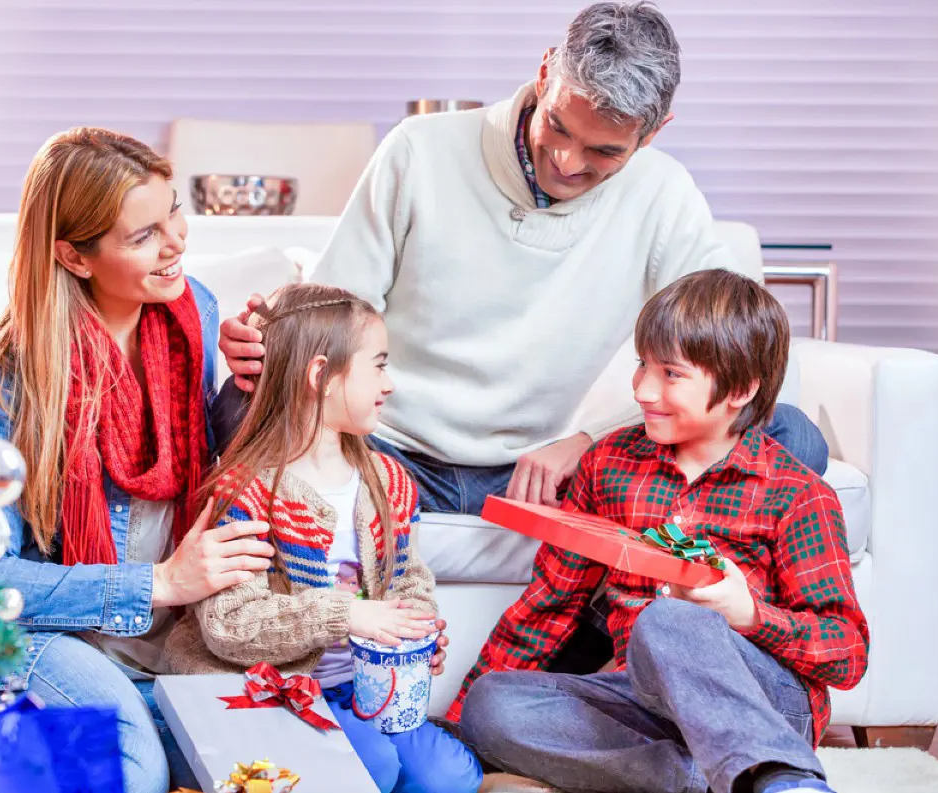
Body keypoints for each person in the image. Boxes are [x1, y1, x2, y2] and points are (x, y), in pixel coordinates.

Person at [216, 0, 830, 677]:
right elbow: (335, 308)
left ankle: (676, 651)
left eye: (604, 151)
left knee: (790, 435)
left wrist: (586, 440)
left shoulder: (664, 195)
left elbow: (735, 361)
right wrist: (273, 338)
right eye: (557, 126)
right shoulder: (420, 151)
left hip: (541, 472)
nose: (567, 161)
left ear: (653, 135)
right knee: (239, 403)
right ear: (544, 72)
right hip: (387, 448)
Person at [453, 269, 869, 793]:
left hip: (763, 706)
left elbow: (847, 653)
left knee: (668, 619)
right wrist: (459, 719)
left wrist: (748, 615)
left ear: (740, 388)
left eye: (670, 374)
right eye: (642, 366)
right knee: (493, 705)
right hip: (643, 700)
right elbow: (550, 603)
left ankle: (782, 778)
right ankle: (710, 782)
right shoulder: (609, 463)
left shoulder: (797, 493)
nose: (644, 389)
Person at [0, 127, 276, 793]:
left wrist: (249, 388)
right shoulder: (4, 383)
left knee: (265, 767)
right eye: (143, 236)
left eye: (173, 213)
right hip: (44, 635)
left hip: (167, 632)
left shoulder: (194, 312)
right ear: (74, 258)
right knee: (136, 768)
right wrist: (159, 582)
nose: (176, 243)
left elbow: (198, 455)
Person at [163, 284, 482, 793]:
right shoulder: (243, 491)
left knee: (451, 777)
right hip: (270, 688)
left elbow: (410, 578)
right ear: (321, 376)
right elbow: (230, 624)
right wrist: (346, 614)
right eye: (377, 365)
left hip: (359, 686)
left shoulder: (388, 481)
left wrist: (413, 634)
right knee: (371, 768)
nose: (390, 383)